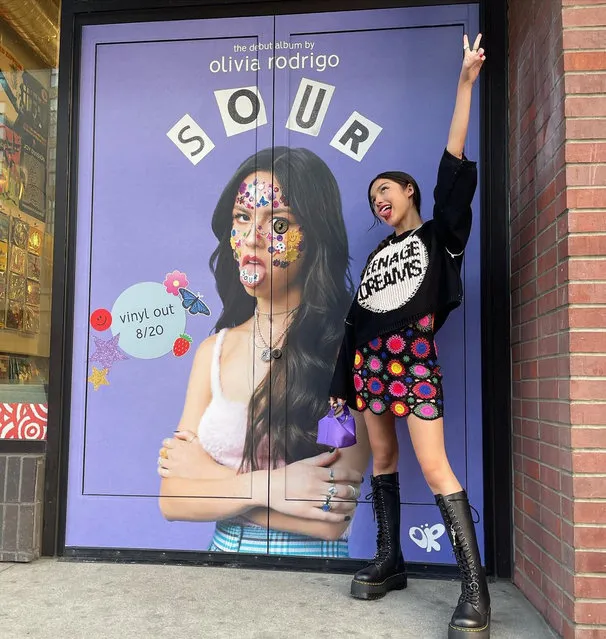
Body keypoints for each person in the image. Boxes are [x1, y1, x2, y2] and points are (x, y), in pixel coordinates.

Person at [329, 34, 490, 637]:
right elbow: (355, 322)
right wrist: (340, 385)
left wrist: (466, 84)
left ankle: (474, 592)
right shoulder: (377, 257)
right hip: (371, 367)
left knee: (436, 466)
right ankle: (391, 559)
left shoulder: (439, 238)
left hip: (414, 362)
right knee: (385, 460)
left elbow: (453, 169)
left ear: (410, 193)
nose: (379, 201)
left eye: (386, 192)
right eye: (373, 198)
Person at [157, 146, 370, 557]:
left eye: (277, 223)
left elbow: (331, 517)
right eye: (242, 217)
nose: (252, 237)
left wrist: (209, 480)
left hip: (310, 573)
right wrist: (268, 487)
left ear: (315, 237)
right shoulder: (212, 353)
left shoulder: (341, 349)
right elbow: (171, 498)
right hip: (220, 566)